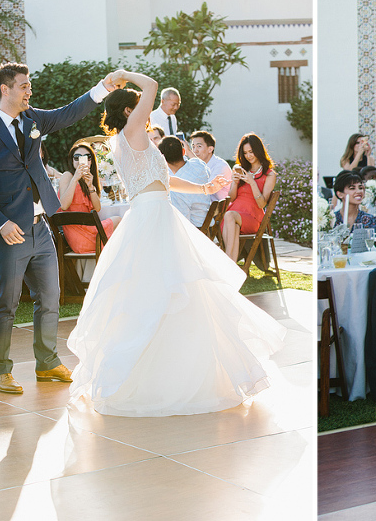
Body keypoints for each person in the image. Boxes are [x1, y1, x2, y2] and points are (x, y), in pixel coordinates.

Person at [68, 70, 284, 417]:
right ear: (129, 112)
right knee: (166, 292)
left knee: (163, 293)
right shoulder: (133, 131)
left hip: (150, 215)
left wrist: (201, 188)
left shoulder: (126, 142)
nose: (146, 110)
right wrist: (123, 75)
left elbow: (164, 179)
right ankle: (161, 381)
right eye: (139, 107)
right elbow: (152, 86)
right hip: (154, 219)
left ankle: (166, 374)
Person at [0, 62, 118, 395]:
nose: (29, 91)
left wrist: (103, 87)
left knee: (50, 298)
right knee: (6, 303)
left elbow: (70, 112)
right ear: (5, 90)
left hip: (40, 227)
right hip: (7, 232)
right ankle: (0, 370)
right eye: (24, 86)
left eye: (29, 86)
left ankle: (47, 363)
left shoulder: (33, 119)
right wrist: (1, 223)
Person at [56, 143, 121, 254]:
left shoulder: (89, 178)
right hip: (77, 236)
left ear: (91, 161)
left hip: (90, 232)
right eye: (77, 157)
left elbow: (97, 207)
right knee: (119, 220)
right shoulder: (67, 176)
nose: (82, 160)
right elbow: (64, 205)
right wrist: (75, 179)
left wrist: (90, 186)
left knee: (119, 220)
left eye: (87, 157)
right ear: (72, 160)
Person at [222, 133, 277, 262]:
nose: (248, 156)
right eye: (245, 153)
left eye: (251, 152)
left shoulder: (269, 175)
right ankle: (232, 267)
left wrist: (252, 182)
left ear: (258, 150)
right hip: (233, 217)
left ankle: (226, 264)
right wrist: (234, 183)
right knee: (232, 223)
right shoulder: (240, 170)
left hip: (252, 217)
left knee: (229, 216)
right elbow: (232, 198)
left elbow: (262, 204)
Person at [160, 136, 212, 227]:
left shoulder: (176, 187)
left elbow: (182, 220)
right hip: (208, 222)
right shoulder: (198, 165)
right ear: (183, 152)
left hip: (196, 227)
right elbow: (205, 168)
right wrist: (189, 150)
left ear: (162, 158)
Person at [190, 130, 233, 201]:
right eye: (193, 147)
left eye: (199, 146)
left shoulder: (220, 166)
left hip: (215, 208)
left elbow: (206, 190)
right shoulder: (194, 164)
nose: (195, 151)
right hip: (201, 204)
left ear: (210, 149)